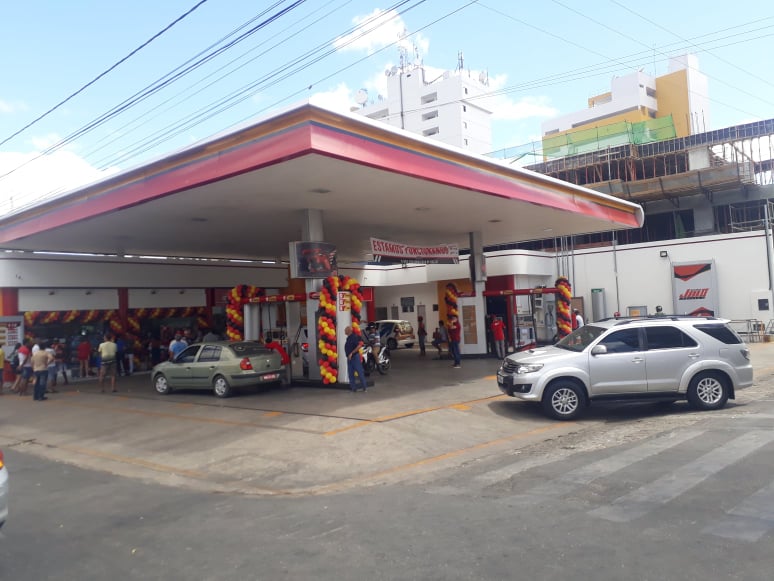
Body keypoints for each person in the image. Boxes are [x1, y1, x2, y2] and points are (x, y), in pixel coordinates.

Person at [343, 325, 368, 392]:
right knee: (350, 373)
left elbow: (359, 346)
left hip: (354, 357)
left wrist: (352, 353)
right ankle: (353, 388)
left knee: (359, 372)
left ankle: (364, 387)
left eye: (345, 330)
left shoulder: (354, 337)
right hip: (349, 358)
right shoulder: (348, 338)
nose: (344, 331)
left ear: (349, 331)